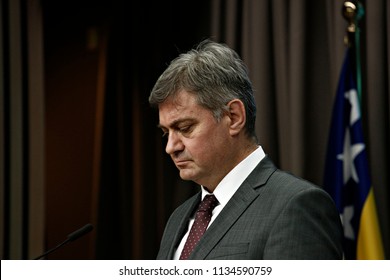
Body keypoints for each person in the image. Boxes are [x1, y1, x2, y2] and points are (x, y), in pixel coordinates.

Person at [148, 39, 343, 260]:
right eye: (166, 132)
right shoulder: (178, 219)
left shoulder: (296, 205)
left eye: (184, 128)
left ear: (234, 117)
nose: (170, 147)